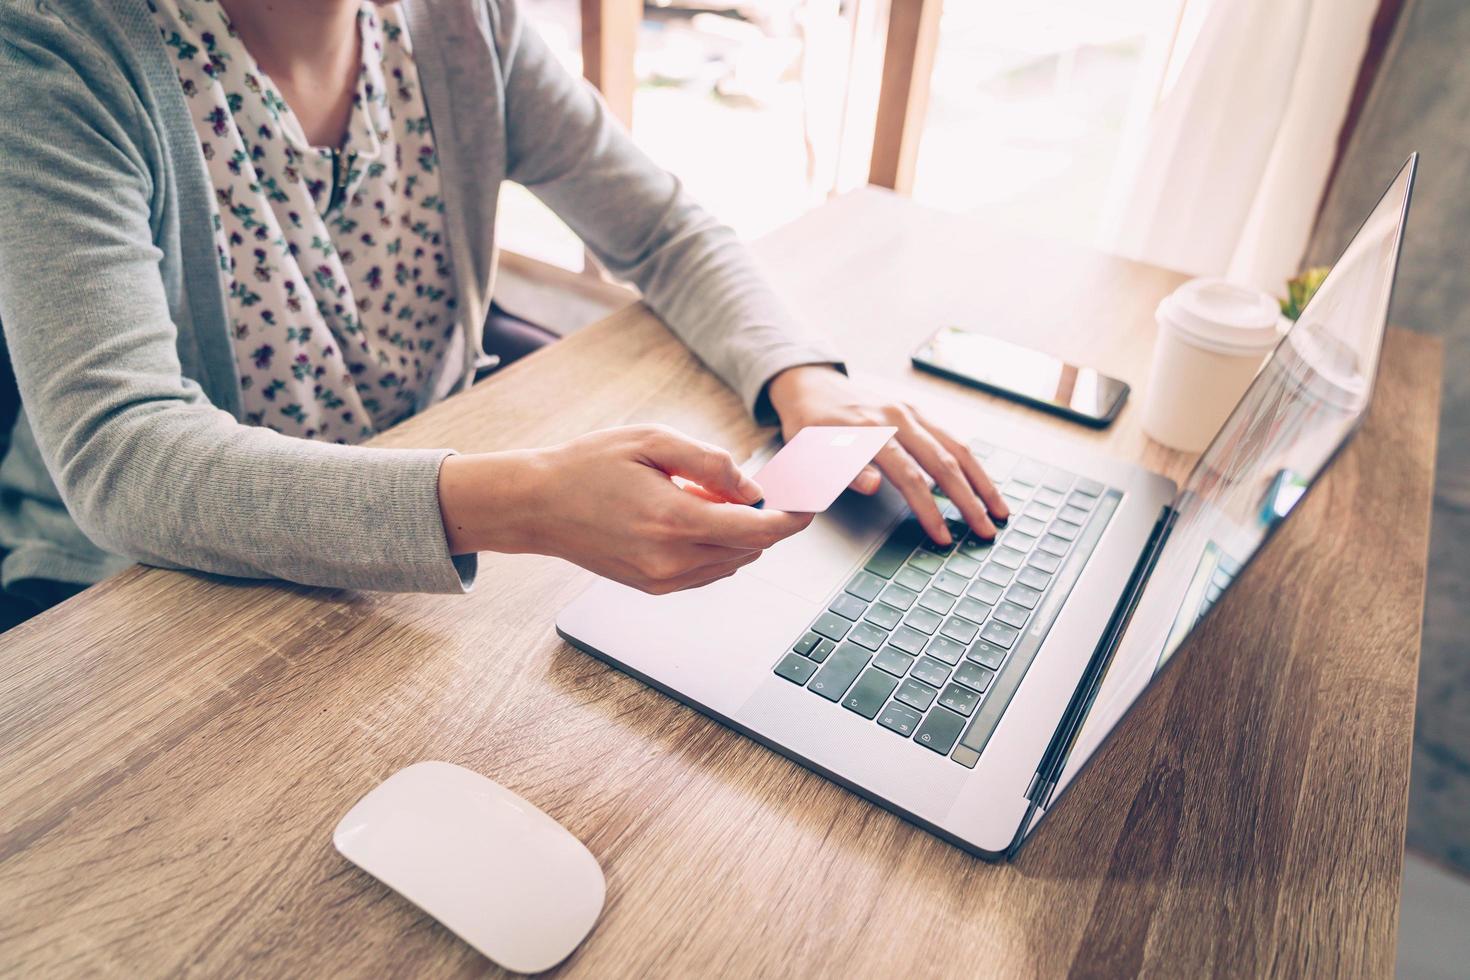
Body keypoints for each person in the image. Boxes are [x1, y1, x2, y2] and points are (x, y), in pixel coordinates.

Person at [0, 0, 1007, 626]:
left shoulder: (459, 22)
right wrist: (525, 501)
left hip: (406, 557)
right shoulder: (54, 53)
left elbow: (658, 225)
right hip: (135, 593)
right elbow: (124, 457)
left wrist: (804, 377)